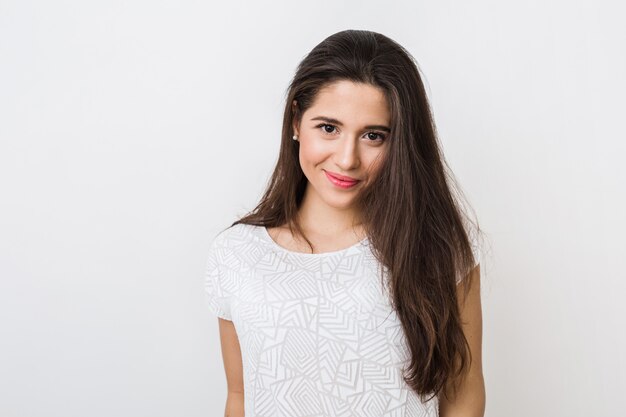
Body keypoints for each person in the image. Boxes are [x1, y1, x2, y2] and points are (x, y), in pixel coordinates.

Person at [204, 29, 486, 417]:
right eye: (329, 128)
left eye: (373, 136)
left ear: (398, 142)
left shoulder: (436, 245)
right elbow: (240, 395)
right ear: (296, 121)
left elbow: (462, 391)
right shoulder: (237, 253)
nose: (347, 158)